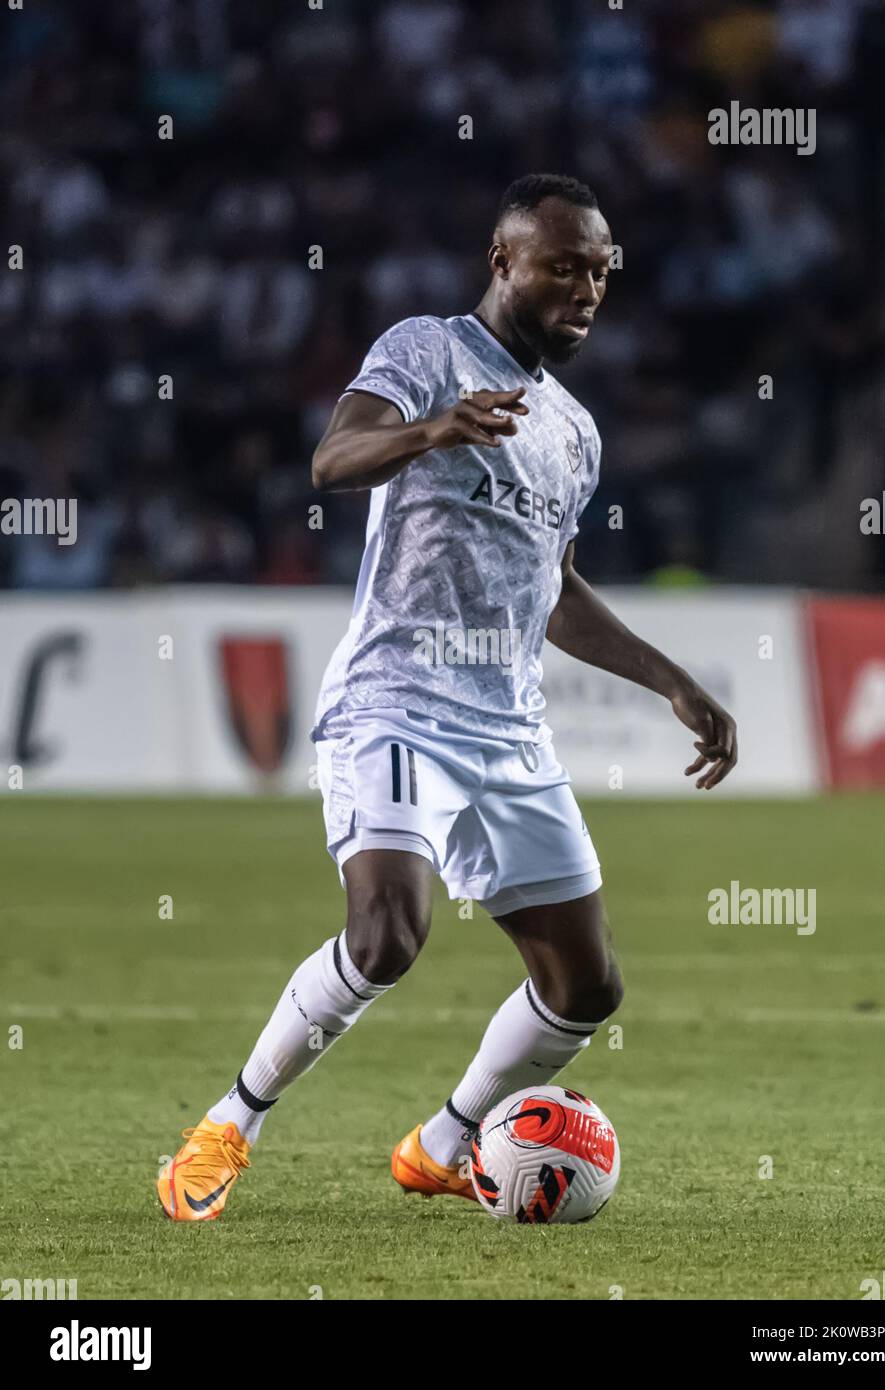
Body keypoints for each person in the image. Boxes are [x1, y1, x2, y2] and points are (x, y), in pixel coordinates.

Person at [156, 174, 737, 1222]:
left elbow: (551, 593)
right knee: (386, 933)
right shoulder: (423, 352)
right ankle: (228, 1125)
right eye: (562, 265)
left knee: (587, 986)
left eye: (599, 271)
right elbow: (334, 458)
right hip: (395, 702)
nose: (584, 289)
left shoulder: (573, 431)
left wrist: (673, 682)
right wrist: (431, 430)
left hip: (509, 728)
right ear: (501, 259)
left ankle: (444, 1138)